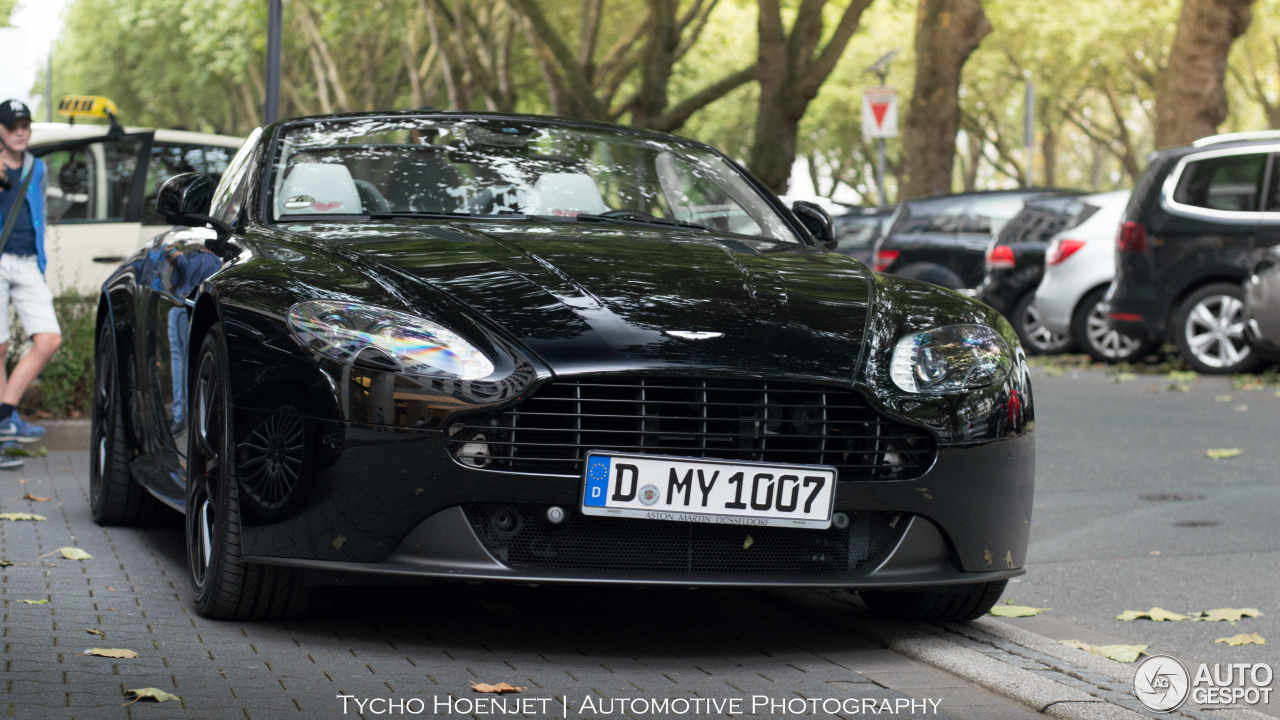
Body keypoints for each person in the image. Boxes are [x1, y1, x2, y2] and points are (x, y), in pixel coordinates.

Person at [0, 100, 62, 449]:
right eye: (12, 126)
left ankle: (5, 413)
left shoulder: (37, 167)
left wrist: (40, 261)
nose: (20, 132)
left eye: (25, 125)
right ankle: (6, 426)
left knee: (49, 339)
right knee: (0, 345)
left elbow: (38, 212)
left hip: (26, 261)